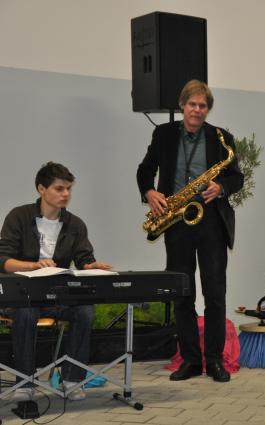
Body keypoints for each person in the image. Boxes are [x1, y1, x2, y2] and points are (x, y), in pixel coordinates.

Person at [136, 80, 244, 383]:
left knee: (215, 293)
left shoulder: (221, 138)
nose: (197, 110)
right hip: (177, 220)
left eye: (203, 106)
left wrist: (221, 187)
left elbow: (237, 178)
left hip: (211, 221)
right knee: (182, 293)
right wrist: (149, 192)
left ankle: (215, 360)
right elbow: (145, 170)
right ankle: (191, 360)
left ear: (208, 109)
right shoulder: (164, 134)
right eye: (193, 104)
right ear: (182, 105)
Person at [0, 162, 112, 402]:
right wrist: (32, 266)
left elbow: (84, 259)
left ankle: (72, 379)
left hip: (57, 296)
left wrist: (91, 266)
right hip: (21, 296)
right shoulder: (19, 217)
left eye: (68, 189)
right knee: (26, 312)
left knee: (84, 310)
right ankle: (25, 382)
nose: (66, 194)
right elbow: (4, 261)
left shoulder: (75, 224)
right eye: (59, 189)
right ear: (41, 189)